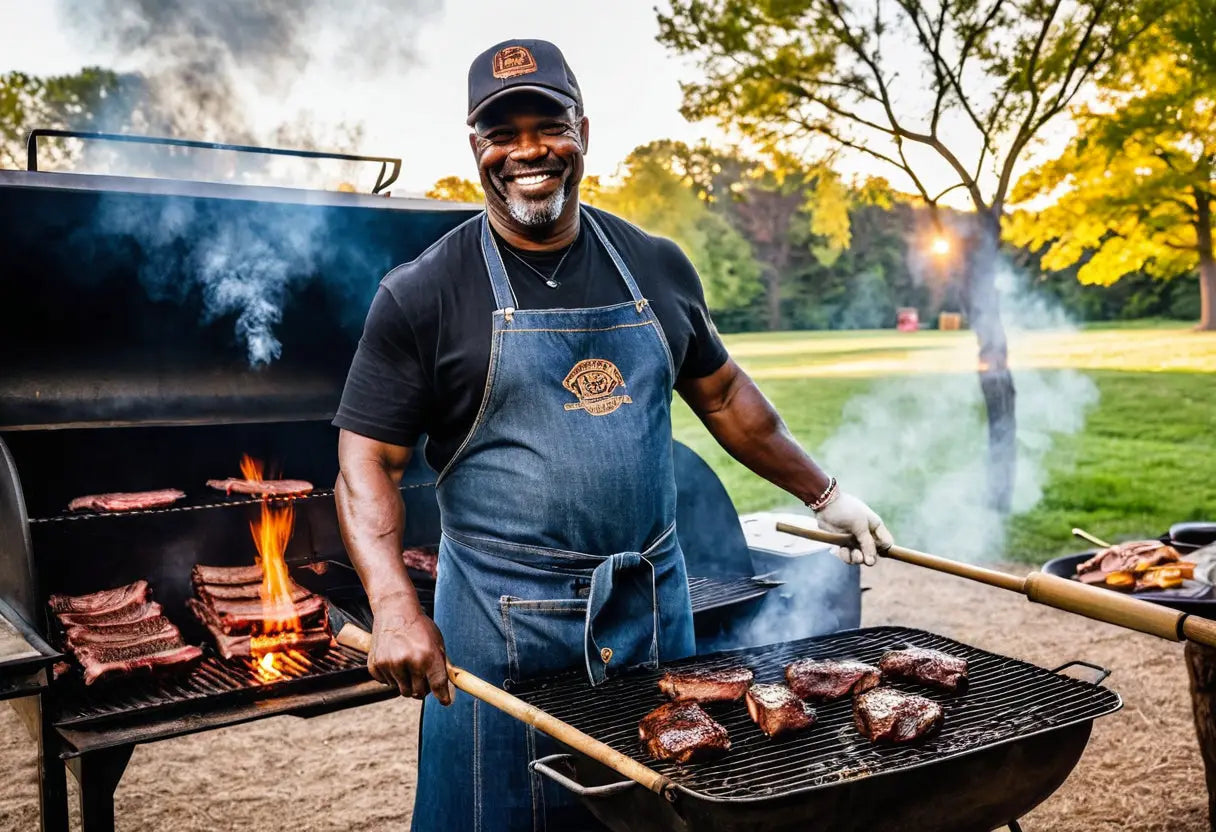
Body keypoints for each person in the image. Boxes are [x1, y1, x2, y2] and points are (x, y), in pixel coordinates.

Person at [333, 38, 893, 832]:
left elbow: (726, 393)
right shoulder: (424, 293)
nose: (528, 150)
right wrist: (392, 605)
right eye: (502, 132)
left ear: (584, 131)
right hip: (501, 627)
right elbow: (366, 463)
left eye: (548, 124)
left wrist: (826, 494)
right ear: (475, 149)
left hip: (650, 612)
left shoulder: (656, 266)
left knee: (655, 813)